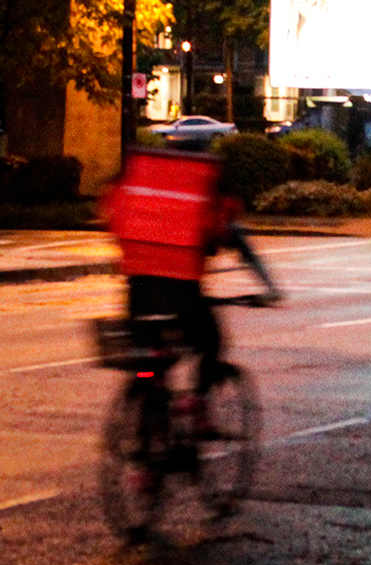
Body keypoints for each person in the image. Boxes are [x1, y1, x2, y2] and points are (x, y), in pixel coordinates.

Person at [102, 148, 279, 416]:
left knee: (154, 355)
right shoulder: (209, 196)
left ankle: (153, 398)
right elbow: (238, 243)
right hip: (183, 294)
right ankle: (197, 403)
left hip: (138, 293)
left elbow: (112, 218)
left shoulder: (137, 191)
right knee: (212, 342)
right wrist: (269, 287)